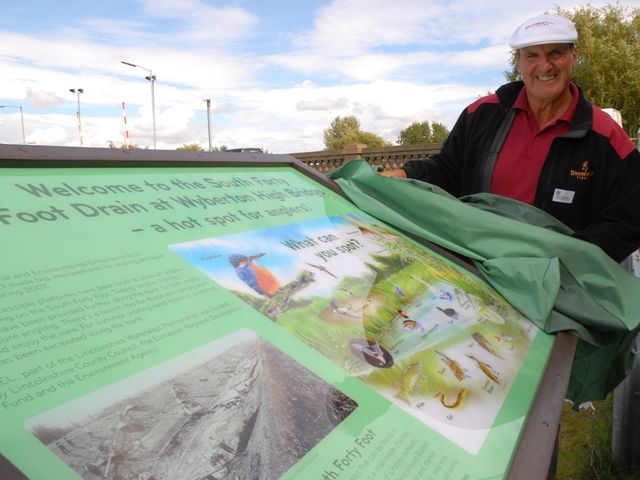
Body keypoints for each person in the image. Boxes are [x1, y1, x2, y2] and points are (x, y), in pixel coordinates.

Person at [382, 14, 640, 263]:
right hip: (478, 263)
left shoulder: (604, 134)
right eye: (532, 56)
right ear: (518, 60)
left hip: (556, 283)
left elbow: (629, 217)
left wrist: (574, 260)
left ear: (574, 56)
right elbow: (448, 170)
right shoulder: (482, 113)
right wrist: (401, 176)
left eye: (555, 53)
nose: (544, 66)